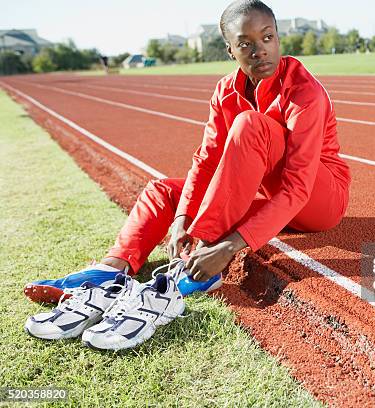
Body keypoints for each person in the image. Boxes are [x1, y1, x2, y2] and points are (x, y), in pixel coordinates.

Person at [23, 0, 351, 305]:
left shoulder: (305, 93)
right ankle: (112, 267)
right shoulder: (226, 90)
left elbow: (296, 187)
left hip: (318, 199)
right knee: (164, 192)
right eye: (246, 43)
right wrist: (182, 217)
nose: (259, 50)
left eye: (267, 38)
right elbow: (207, 160)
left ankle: (203, 265)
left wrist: (225, 246)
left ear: (278, 38)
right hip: (272, 194)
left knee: (250, 125)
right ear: (230, 50)